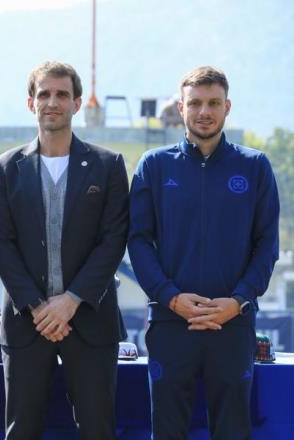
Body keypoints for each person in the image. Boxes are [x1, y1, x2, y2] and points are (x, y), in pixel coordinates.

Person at [128, 66, 279, 440]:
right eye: (195, 103)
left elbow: (267, 245)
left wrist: (239, 300)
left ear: (227, 107)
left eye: (213, 103)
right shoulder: (154, 165)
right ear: (181, 108)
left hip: (233, 325)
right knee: (168, 431)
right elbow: (138, 240)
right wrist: (171, 298)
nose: (204, 111)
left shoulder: (255, 166)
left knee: (232, 431)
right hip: (169, 324)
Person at [0, 61, 129, 439]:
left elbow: (113, 240)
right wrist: (37, 305)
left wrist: (72, 300)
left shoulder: (108, 165)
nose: (53, 102)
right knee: (21, 431)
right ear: (31, 103)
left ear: (77, 103)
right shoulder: (5, 168)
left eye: (62, 94)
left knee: (99, 429)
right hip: (25, 323)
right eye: (44, 94)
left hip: (90, 321)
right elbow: (2, 245)